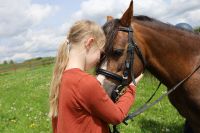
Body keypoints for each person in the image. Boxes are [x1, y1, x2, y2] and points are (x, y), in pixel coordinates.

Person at [49, 20, 142, 133]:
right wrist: (131, 89)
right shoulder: (85, 82)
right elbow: (117, 116)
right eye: (101, 53)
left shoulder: (61, 78)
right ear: (90, 43)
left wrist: (97, 82)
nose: (99, 58)